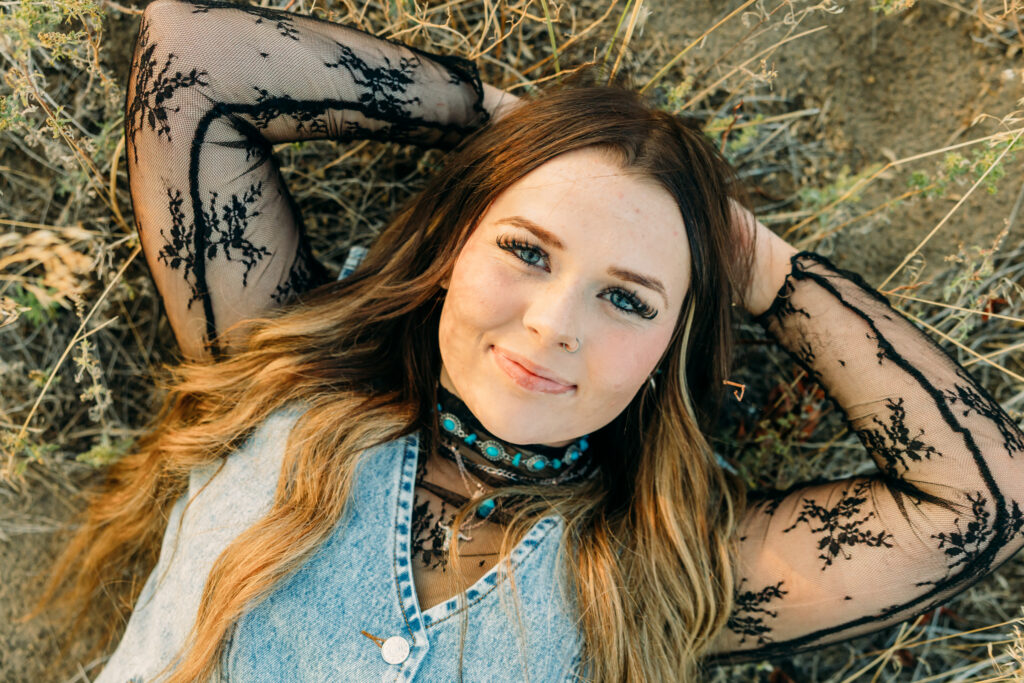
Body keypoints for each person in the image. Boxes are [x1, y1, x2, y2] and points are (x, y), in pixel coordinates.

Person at [24, 0, 1024, 681]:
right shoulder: (284, 371)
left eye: (629, 300)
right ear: (454, 244)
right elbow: (194, 59)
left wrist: (766, 272)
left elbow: (978, 502)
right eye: (526, 249)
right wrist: (518, 129)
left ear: (671, 348)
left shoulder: (662, 566)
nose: (552, 325)